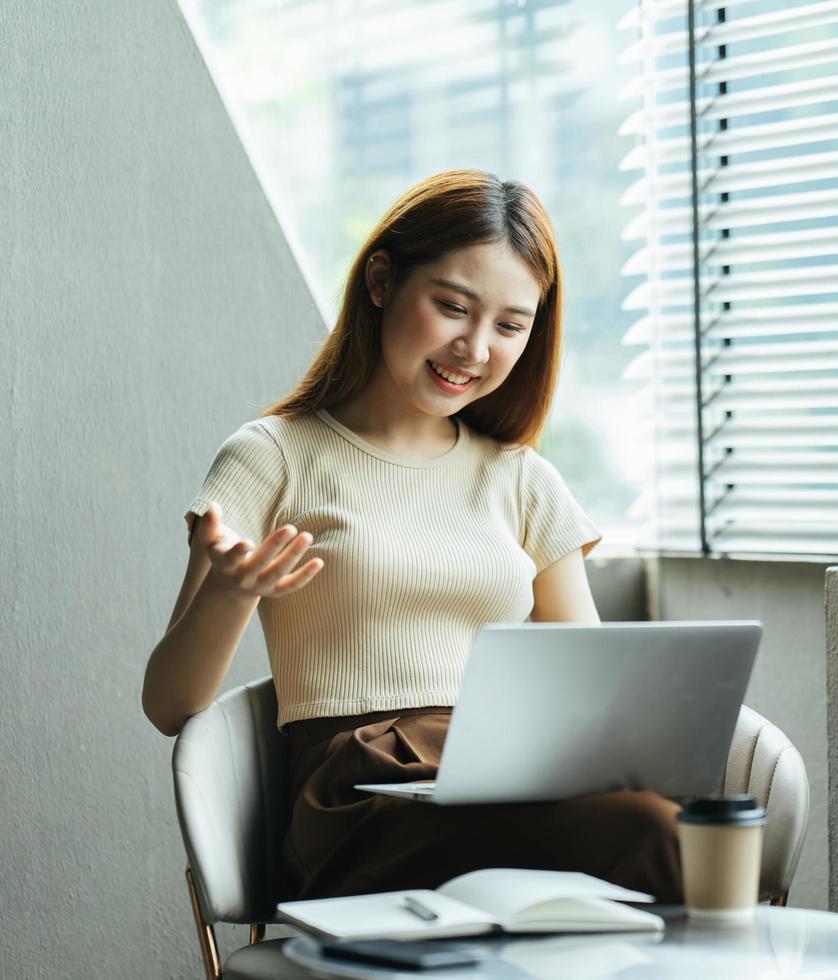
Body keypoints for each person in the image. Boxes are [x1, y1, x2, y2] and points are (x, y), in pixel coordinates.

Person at [141, 169, 682, 902]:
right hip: (358, 796)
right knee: (645, 836)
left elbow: (589, 695)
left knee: (668, 829)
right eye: (453, 307)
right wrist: (230, 594)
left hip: (503, 772)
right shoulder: (272, 456)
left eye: (510, 325)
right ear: (381, 281)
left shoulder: (523, 480)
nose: (475, 348)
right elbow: (169, 705)